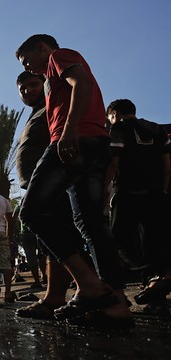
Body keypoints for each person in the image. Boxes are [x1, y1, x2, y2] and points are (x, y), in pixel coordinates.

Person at [16, 34, 132, 328]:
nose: (28, 66)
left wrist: (68, 132)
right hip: (93, 145)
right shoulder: (50, 77)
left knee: (31, 212)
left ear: (42, 48)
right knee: (90, 223)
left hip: (74, 143)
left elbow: (82, 84)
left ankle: (89, 286)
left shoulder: (60, 57)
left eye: (27, 59)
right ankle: (116, 304)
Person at [13, 70, 77, 320]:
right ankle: (54, 296)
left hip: (55, 181)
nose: (28, 90)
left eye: (33, 84)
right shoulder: (36, 112)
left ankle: (89, 285)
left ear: (45, 83)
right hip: (41, 183)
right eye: (22, 88)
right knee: (53, 241)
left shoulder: (52, 105)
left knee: (55, 233)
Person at [105, 99, 171, 315]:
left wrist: (104, 190)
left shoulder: (118, 129)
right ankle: (157, 297)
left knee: (117, 240)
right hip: (154, 194)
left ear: (114, 113)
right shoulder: (156, 129)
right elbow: (166, 164)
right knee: (152, 243)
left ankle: (155, 275)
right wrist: (162, 190)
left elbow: (114, 163)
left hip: (126, 193)